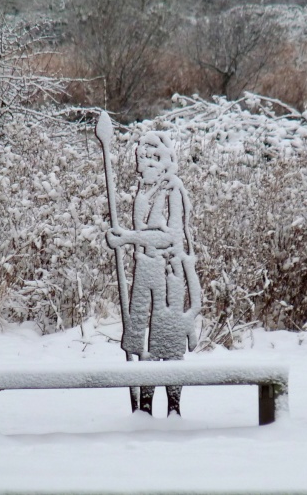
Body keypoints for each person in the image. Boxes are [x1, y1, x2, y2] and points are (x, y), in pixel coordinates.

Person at [106, 131, 201, 415]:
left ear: (161, 162)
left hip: (166, 275)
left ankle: (174, 409)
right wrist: (128, 238)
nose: (139, 166)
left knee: (167, 345)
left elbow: (169, 237)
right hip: (145, 272)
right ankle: (144, 409)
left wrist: (128, 238)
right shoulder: (144, 189)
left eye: (146, 160)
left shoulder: (172, 191)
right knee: (144, 345)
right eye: (139, 160)